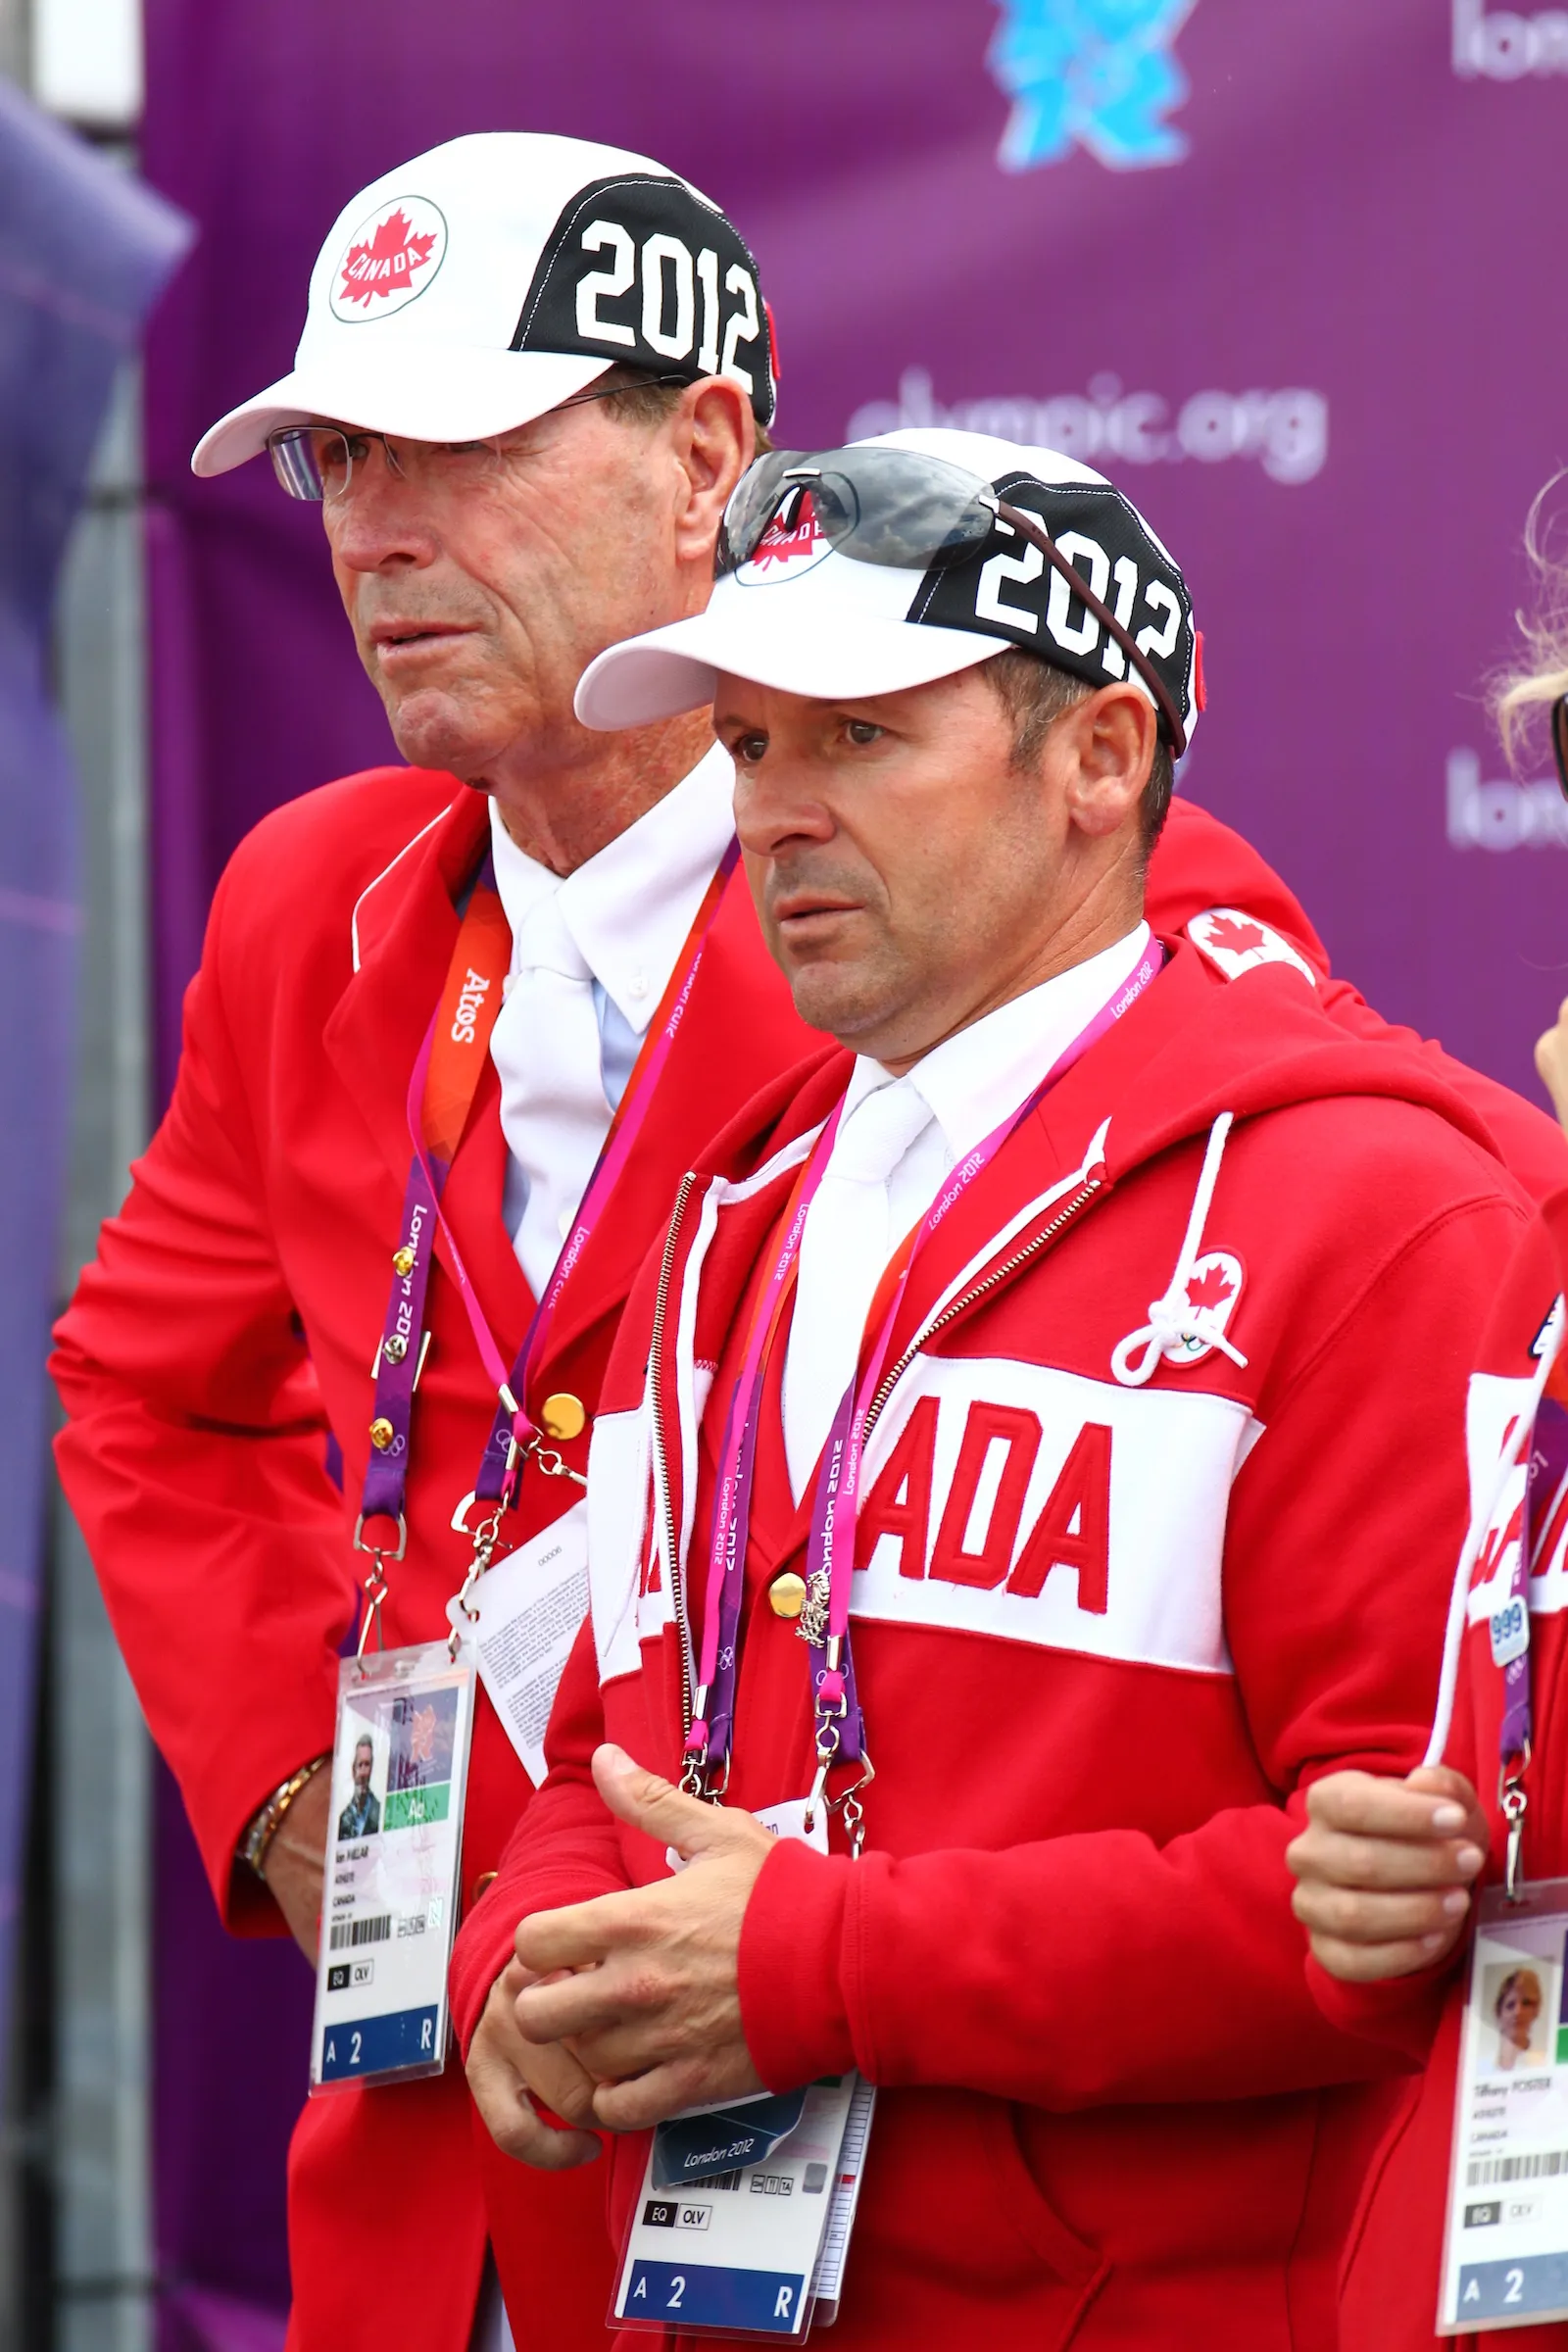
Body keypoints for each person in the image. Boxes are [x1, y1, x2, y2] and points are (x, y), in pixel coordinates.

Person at [50, 129, 1560, 2350]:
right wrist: (304, 1791)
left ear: (707, 455)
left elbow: (1318, 1802)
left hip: (904, 2178)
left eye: (452, 444)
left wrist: (824, 1940)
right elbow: (147, 1380)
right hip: (453, 2111)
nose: (377, 527)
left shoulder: (1122, 950)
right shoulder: (320, 896)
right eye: (338, 459)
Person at [448, 427, 1534, 2349]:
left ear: (1099, 761)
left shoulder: (1378, 1206)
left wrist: (822, 1964)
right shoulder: (732, 1211)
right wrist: (521, 1960)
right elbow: (601, 1732)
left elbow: (1391, 1915)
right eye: (749, 745)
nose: (772, 813)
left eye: (859, 737)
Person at [1493, 1967, 1544, 2072]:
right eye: (1510, 2005)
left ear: (1535, 2011)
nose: (1518, 2012)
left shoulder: (1542, 2063)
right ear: (1499, 2013)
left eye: (1526, 2003)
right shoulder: (1481, 2067)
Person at [337, 1736, 380, 1840]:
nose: (363, 1773)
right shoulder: (343, 1820)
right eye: (360, 1765)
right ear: (353, 1770)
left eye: (367, 1765)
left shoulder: (381, 1813)